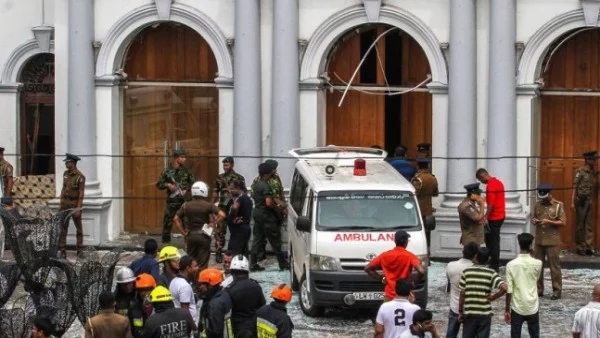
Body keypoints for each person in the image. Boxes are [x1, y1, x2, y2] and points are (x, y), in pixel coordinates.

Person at [174, 181, 226, 271]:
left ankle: (191, 281)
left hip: (190, 236)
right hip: (204, 237)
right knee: (202, 264)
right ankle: (201, 282)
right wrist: (213, 223)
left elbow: (176, 219)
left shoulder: (186, 205)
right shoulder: (208, 205)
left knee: (190, 262)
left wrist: (183, 233)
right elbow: (222, 215)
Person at [458, 247, 507, 338]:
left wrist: (460, 311)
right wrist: (493, 297)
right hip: (484, 313)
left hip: (469, 312)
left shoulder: (466, 272)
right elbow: (504, 288)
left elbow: (462, 294)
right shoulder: (491, 273)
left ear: (476, 256)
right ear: (488, 259)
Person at [364, 230, 425, 301]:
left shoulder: (384, 255)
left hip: (389, 296)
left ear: (395, 241)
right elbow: (421, 271)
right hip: (405, 296)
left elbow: (367, 268)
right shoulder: (410, 256)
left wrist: (382, 278)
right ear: (406, 242)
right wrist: (413, 284)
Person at [250, 163, 289, 271]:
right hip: (266, 216)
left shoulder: (256, 185)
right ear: (267, 174)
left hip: (257, 213)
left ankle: (252, 263)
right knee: (274, 239)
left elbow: (254, 196)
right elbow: (268, 202)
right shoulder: (266, 186)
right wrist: (278, 208)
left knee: (257, 239)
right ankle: (282, 263)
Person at [505, 233, 542, 338]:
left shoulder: (511, 265)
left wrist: (507, 309)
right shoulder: (538, 263)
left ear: (519, 244)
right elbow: (536, 279)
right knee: (535, 334)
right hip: (532, 305)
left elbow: (509, 290)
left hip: (517, 306)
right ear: (531, 245)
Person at [532, 183, 565, 300]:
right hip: (539, 240)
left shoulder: (558, 205)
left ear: (550, 194)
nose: (542, 199)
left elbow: (563, 222)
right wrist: (535, 221)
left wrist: (550, 222)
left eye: (544, 196)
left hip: (552, 241)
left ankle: (557, 290)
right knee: (538, 267)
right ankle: (539, 289)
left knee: (554, 267)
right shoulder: (537, 205)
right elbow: (534, 218)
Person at [156, 149, 195, 244]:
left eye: (184, 157)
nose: (184, 159)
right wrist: (168, 185)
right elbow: (159, 184)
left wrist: (187, 189)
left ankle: (188, 246)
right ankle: (165, 247)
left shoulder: (187, 171)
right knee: (167, 226)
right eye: (182, 157)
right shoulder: (168, 171)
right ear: (177, 158)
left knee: (187, 225)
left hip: (184, 204)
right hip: (171, 204)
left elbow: (193, 183)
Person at [212, 156, 246, 263]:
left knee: (235, 231)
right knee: (220, 231)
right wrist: (210, 205)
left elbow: (244, 193)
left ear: (232, 165)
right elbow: (215, 192)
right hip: (222, 208)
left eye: (226, 165)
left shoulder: (239, 178)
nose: (224, 167)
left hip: (234, 209)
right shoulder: (219, 178)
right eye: (223, 165)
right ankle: (218, 251)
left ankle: (233, 253)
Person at [445, 242, 479, 338]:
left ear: (463, 251)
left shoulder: (450, 265)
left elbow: (449, 281)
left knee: (451, 334)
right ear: (476, 255)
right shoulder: (474, 269)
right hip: (470, 308)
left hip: (454, 306)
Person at [227, 255, 266, 337]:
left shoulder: (230, 289)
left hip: (237, 328)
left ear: (232, 272)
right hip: (255, 327)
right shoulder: (256, 286)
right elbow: (263, 306)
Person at [476, 168, 506, 272]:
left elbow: (491, 205)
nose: (482, 182)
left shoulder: (491, 185)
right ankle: (493, 261)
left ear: (483, 176)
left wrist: (485, 217)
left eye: (480, 180)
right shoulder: (498, 182)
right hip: (500, 215)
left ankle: (494, 265)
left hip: (494, 217)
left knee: (493, 242)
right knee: (493, 240)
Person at [58, 153, 85, 258]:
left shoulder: (80, 177)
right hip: (65, 204)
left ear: (73, 163)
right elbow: (63, 189)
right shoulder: (65, 174)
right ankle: (62, 249)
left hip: (74, 204)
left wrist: (78, 208)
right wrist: (61, 203)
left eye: (67, 162)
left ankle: (79, 250)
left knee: (79, 229)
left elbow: (81, 193)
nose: (66, 164)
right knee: (63, 227)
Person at [411, 157, 438, 257]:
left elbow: (413, 193)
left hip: (418, 210)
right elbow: (436, 193)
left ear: (418, 166)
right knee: (427, 234)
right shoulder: (433, 178)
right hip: (429, 209)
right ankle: (428, 254)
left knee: (418, 232)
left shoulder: (418, 179)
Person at [572, 150, 598, 256]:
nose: (595, 161)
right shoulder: (580, 171)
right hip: (581, 201)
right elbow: (574, 186)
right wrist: (572, 202)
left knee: (589, 225)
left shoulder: (592, 171)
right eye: (593, 159)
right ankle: (579, 246)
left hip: (589, 200)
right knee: (580, 225)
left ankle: (588, 247)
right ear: (587, 160)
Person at [197, 268, 234, 338]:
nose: (200, 286)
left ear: (210, 285)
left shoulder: (214, 304)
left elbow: (215, 331)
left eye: (202, 284)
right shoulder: (224, 294)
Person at [169, 255, 200, 333]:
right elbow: (185, 311)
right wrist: (194, 328)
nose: (197, 268)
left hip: (179, 324)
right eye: (195, 266)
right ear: (187, 268)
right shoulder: (184, 286)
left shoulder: (174, 281)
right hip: (188, 329)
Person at [226, 180, 253, 256]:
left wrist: (233, 216)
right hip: (242, 229)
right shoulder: (244, 198)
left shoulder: (241, 199)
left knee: (234, 253)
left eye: (232, 189)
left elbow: (234, 208)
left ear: (238, 188)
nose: (230, 191)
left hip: (239, 230)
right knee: (243, 252)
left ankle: (235, 267)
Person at [129, 273, 156, 338]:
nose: (144, 293)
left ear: (153, 289)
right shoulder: (134, 308)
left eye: (147, 289)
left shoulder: (159, 305)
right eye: (141, 290)